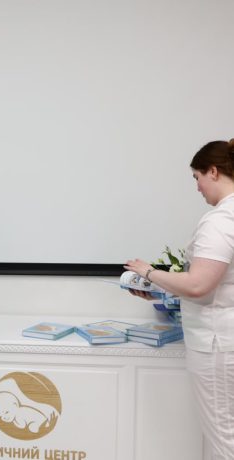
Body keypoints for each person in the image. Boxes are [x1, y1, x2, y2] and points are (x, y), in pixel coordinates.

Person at [125, 139, 234, 460]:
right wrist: (162, 288)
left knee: (225, 438)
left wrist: (148, 272)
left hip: (217, 345)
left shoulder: (220, 221)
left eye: (197, 177)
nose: (197, 187)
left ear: (213, 171)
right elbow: (220, 284)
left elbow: (200, 285)